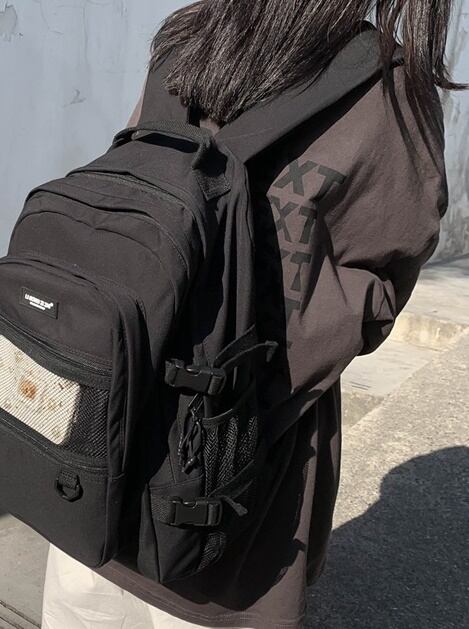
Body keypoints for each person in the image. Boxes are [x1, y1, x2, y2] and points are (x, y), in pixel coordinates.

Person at [42, 1, 463, 627]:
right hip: (233, 494)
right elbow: (381, 283)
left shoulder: (188, 35)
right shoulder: (390, 89)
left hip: (100, 460)